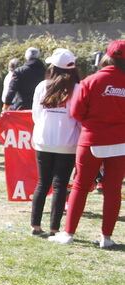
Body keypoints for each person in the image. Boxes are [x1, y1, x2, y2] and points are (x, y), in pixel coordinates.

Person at [50, 40, 125, 248]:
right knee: (113, 190)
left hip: (91, 139)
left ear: (107, 57)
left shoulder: (91, 81)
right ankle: (106, 238)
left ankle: (68, 233)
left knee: (81, 186)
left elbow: (76, 112)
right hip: (121, 142)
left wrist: (94, 123)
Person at [29, 49, 81, 237]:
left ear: (54, 67)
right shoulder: (77, 88)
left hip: (44, 141)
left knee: (43, 183)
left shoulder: (42, 86)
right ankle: (54, 228)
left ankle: (35, 225)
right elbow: (79, 119)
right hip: (67, 143)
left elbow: (36, 115)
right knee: (60, 185)